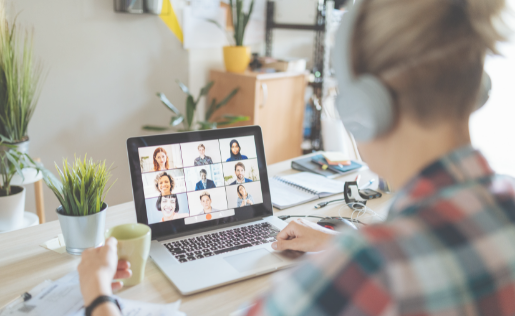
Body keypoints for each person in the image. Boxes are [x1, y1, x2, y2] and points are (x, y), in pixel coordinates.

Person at [77, 0, 514, 314]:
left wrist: (98, 296)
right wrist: (340, 241)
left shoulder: (369, 268)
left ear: (367, 106)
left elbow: (386, 267)